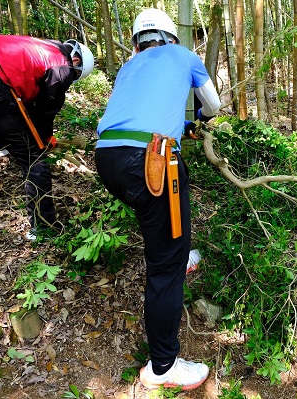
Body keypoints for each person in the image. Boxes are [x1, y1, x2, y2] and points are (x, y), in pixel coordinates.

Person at [94, 8, 220, 391]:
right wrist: (197, 120)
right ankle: (163, 366)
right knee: (164, 269)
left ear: (136, 43)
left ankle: (175, 254)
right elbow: (213, 105)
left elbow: (140, 112)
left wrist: (177, 126)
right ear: (172, 38)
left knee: (160, 223)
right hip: (152, 160)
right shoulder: (184, 56)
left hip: (108, 157)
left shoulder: (128, 69)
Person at [0, 35, 94, 240]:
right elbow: (46, 107)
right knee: (35, 160)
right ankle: (43, 227)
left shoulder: (40, 47)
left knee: (4, 113)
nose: (70, 78)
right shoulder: (62, 65)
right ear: (76, 62)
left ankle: (1, 143)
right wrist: (45, 138)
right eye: (75, 76)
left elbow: (24, 96)